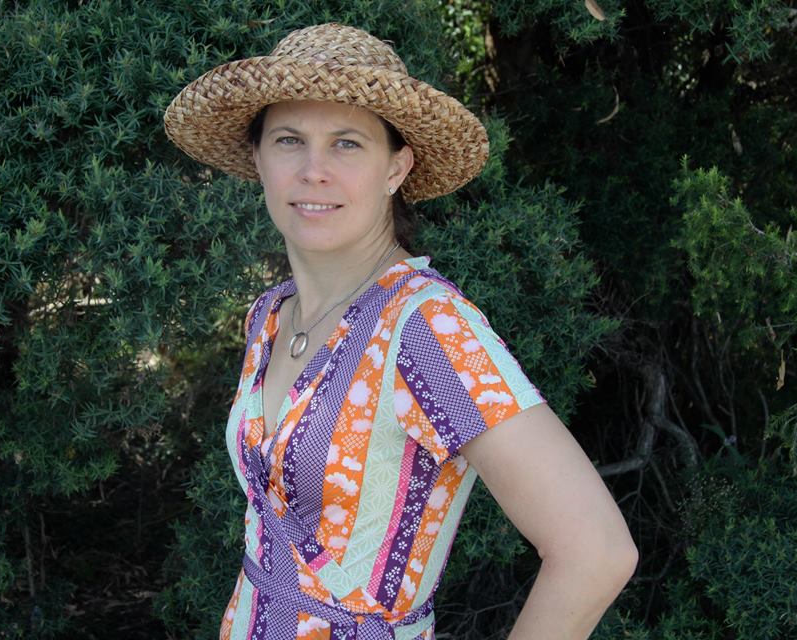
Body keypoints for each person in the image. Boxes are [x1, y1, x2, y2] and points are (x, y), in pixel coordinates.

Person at [164, 22, 637, 640]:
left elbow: (596, 552)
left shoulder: (425, 328)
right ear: (258, 160)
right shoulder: (271, 315)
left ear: (396, 167)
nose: (313, 170)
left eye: (347, 144)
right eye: (288, 140)